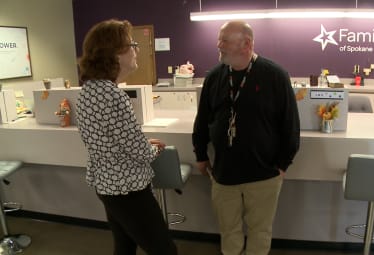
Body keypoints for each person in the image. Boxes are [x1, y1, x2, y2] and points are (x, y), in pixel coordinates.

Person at [192, 20, 300, 255]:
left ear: (247, 44)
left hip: (264, 175)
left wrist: (283, 164)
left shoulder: (275, 75)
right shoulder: (215, 77)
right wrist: (200, 154)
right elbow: (202, 120)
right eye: (219, 39)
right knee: (228, 231)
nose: (218, 44)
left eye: (224, 40)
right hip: (223, 174)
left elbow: (290, 125)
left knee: (260, 232)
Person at [75, 19, 177, 255]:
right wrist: (154, 149)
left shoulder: (90, 89)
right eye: (131, 44)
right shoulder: (113, 95)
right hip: (128, 189)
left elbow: (110, 139)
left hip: (107, 184)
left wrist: (141, 143)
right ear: (114, 54)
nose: (136, 50)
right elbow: (140, 152)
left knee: (125, 245)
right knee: (164, 249)